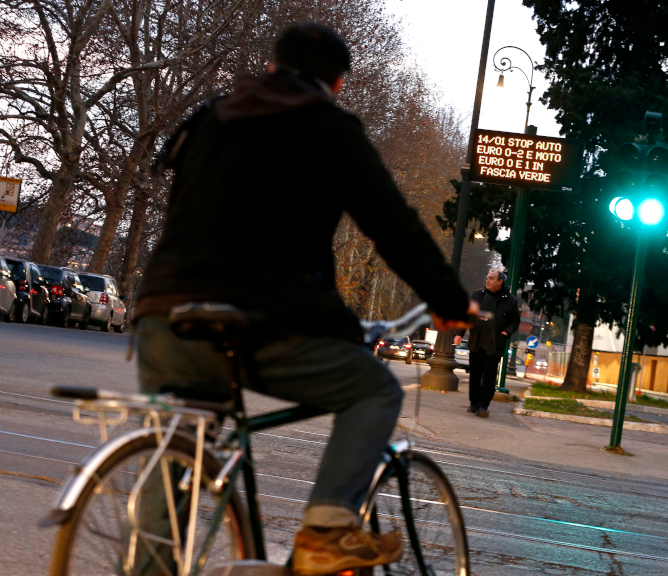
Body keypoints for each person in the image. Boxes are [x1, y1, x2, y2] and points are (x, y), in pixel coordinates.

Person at [134, 23, 476, 575]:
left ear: (272, 66)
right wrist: (450, 300)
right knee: (375, 392)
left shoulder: (209, 117)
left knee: (184, 442)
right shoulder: (327, 127)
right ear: (336, 83)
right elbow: (393, 225)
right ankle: (325, 530)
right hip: (255, 317)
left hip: (162, 313)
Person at [454, 269, 520, 418]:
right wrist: (459, 333)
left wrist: (506, 332)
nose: (488, 280)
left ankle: (483, 406)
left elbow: (515, 320)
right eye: (487, 277)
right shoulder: (478, 295)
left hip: (494, 344)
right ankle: (474, 403)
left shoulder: (510, 301)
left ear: (500, 282)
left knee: (489, 375)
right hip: (476, 340)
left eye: (492, 278)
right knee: (475, 374)